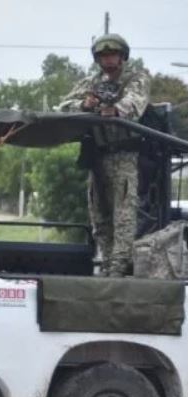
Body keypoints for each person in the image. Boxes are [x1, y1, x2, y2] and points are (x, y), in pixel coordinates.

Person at [57, 33, 150, 277]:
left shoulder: (135, 78)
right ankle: (107, 262)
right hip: (97, 155)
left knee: (123, 214)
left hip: (124, 154)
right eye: (103, 56)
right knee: (99, 214)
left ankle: (118, 267)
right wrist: (85, 105)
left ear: (122, 57)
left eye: (113, 55)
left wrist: (115, 109)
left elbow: (134, 104)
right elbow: (64, 107)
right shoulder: (92, 82)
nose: (108, 60)